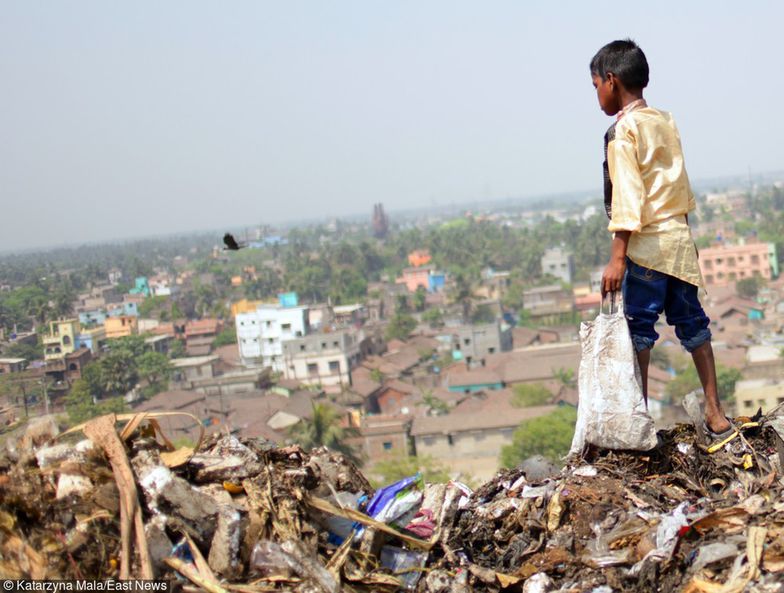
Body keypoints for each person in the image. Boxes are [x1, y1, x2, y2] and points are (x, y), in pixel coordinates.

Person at [590, 39, 734, 441]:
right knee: (694, 327)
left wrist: (618, 258)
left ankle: (640, 419)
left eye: (596, 84)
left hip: (648, 250)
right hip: (678, 244)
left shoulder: (623, 131)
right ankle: (716, 412)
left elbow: (628, 198)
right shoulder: (664, 121)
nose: (597, 93)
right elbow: (680, 187)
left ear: (612, 81)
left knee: (638, 332)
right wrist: (686, 240)